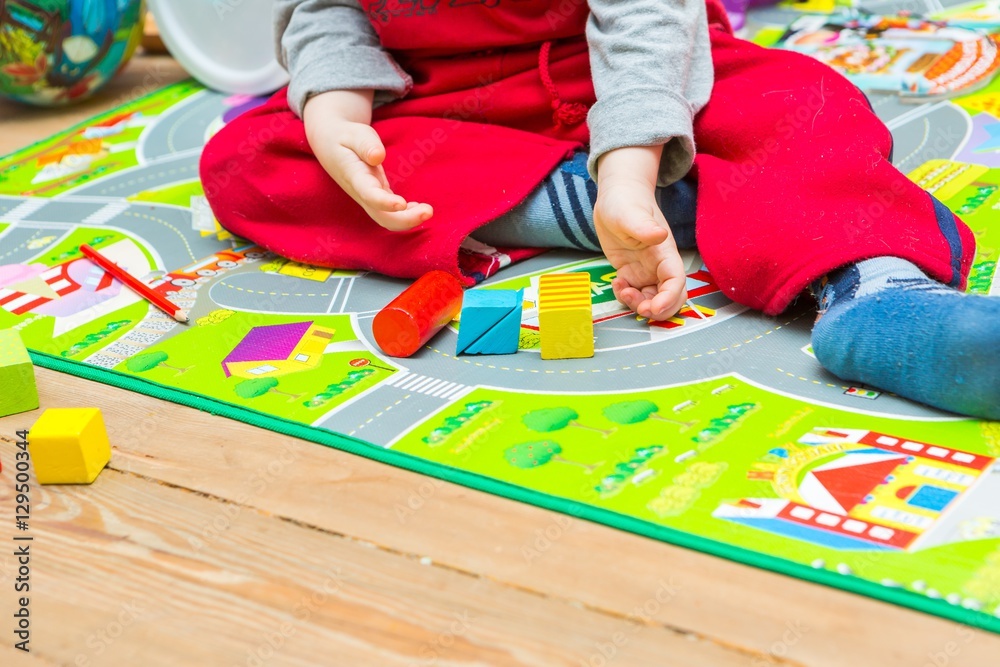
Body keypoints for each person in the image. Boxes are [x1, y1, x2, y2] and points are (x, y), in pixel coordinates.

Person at [200, 0, 1000, 419]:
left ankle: (881, 295)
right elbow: (326, 11)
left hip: (631, 74)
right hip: (448, 107)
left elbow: (648, 21)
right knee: (245, 159)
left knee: (805, 102)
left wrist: (626, 164)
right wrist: (336, 112)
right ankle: (624, 207)